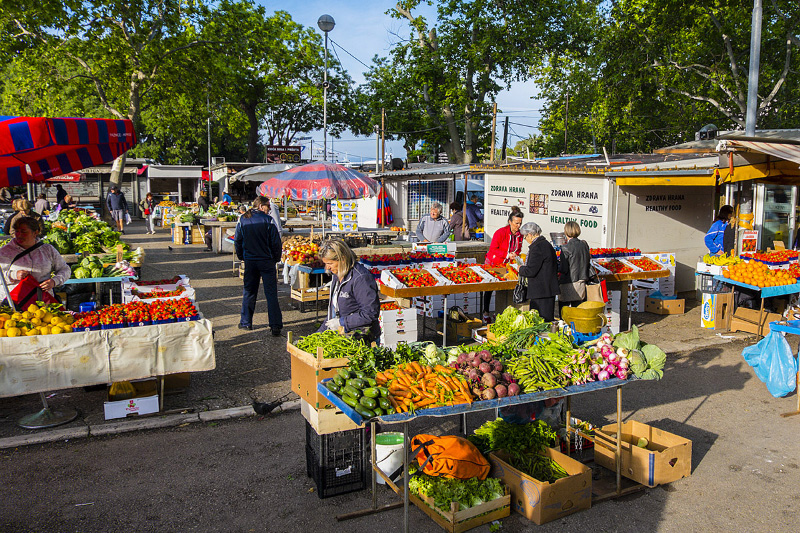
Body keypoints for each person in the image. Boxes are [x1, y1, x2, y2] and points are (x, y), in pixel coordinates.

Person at [234, 196, 283, 335]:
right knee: (271, 294)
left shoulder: (243, 219)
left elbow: (238, 240)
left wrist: (242, 256)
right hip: (266, 261)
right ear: (261, 206)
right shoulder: (268, 221)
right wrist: (276, 258)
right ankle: (275, 325)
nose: (269, 209)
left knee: (249, 292)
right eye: (268, 206)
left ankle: (246, 322)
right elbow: (276, 243)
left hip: (250, 260)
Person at [318, 238, 381, 342]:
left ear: (342, 259)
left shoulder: (361, 278)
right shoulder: (337, 275)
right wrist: (318, 334)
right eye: (325, 263)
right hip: (344, 336)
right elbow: (333, 312)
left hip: (362, 338)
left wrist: (342, 322)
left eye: (330, 263)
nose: (327, 268)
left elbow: (370, 313)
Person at [0, 216, 70, 306]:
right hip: (14, 304)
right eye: (16, 231)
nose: (19, 235)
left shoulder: (47, 249)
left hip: (43, 304)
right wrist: (13, 275)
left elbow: (65, 269)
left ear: (35, 232)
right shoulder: (4, 252)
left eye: (23, 232)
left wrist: (54, 281)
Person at [483, 207, 524, 321]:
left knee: (505, 288)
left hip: (508, 265)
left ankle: (500, 311)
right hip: (494, 262)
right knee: (489, 287)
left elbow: (518, 248)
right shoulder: (500, 232)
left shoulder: (520, 235)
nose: (518, 226)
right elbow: (493, 249)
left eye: (520, 223)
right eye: (516, 223)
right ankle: (486, 312)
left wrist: (515, 256)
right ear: (510, 222)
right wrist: (506, 255)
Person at [518, 222, 559, 322]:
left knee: (541, 322)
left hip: (540, 291)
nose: (525, 239)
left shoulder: (537, 248)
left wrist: (520, 269)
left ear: (530, 235)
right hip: (547, 289)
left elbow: (531, 271)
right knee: (547, 320)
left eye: (525, 237)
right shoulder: (546, 244)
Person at [558, 221, 592, 313]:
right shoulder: (584, 245)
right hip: (581, 281)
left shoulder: (565, 248)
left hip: (568, 283)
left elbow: (564, 269)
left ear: (566, 232)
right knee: (578, 310)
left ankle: (566, 327)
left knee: (564, 311)